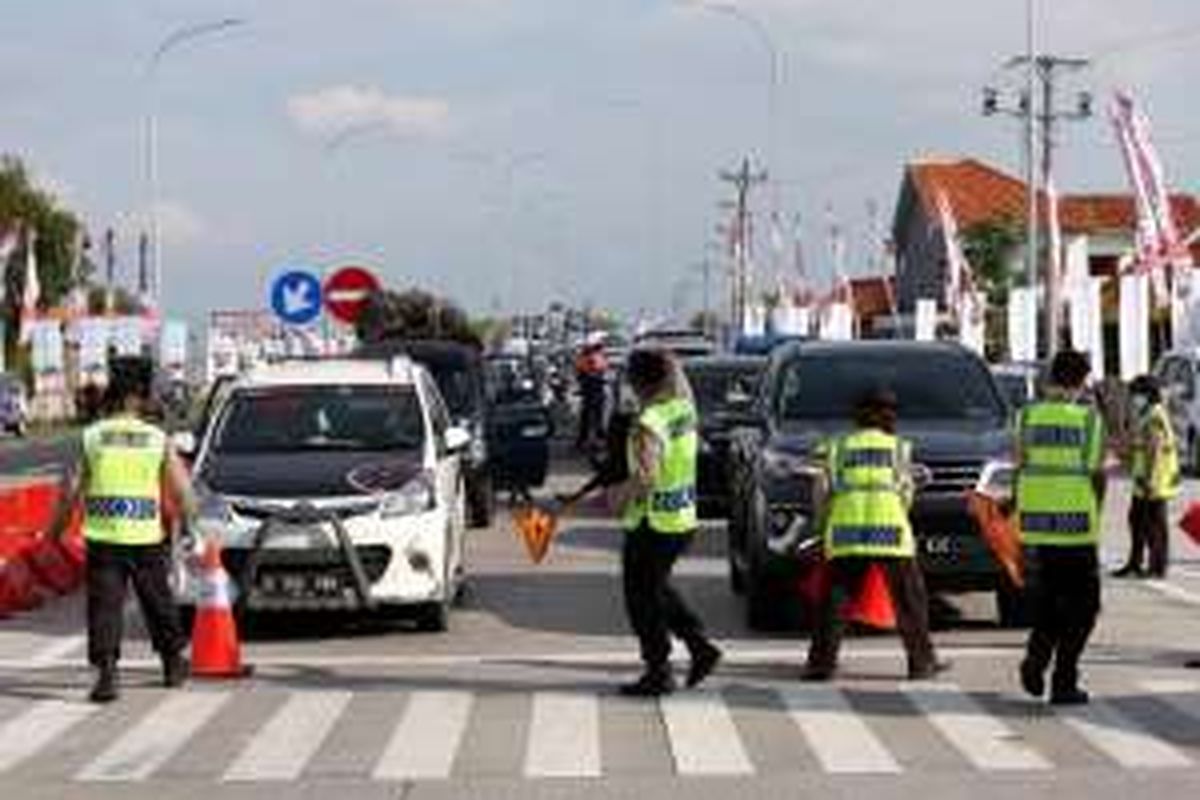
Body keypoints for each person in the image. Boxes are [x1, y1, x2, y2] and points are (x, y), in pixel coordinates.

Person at [49, 356, 197, 703]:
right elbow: (183, 490)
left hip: (104, 539)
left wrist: (53, 533)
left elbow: (69, 491)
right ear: (140, 395)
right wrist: (190, 525)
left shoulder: (92, 437)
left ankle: (107, 674)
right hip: (147, 538)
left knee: (105, 607)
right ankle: (173, 664)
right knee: (159, 603)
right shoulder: (156, 438)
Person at [803, 388, 943, 681]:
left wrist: (821, 529)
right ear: (889, 415)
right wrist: (898, 514)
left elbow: (822, 493)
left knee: (835, 601)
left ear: (857, 416)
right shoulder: (898, 448)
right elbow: (906, 491)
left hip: (846, 533)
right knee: (909, 602)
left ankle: (820, 665)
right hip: (889, 532)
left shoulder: (837, 447)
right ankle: (921, 663)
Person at [607, 348, 720, 696]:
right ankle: (698, 647)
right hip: (681, 516)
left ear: (637, 382)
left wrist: (618, 497)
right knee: (656, 589)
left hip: (651, 522)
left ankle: (661, 668)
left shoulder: (649, 424)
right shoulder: (683, 410)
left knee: (641, 598)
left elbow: (647, 477)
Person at [1015, 349, 1106, 706]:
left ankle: (1036, 658)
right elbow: (1096, 472)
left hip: (1037, 524)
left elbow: (1020, 466)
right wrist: (1095, 512)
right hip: (1076, 525)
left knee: (1050, 599)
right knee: (1085, 606)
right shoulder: (1088, 420)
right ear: (1083, 380)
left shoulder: (1026, 417)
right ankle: (1063, 679)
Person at [1113, 374, 1179, 579]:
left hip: (1154, 480)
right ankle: (1135, 563)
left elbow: (1154, 449)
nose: (1134, 398)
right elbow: (1141, 447)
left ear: (1147, 394)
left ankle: (1157, 566)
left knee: (1154, 526)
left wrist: (1149, 479)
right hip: (1144, 479)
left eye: (1136, 394)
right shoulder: (1148, 413)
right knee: (1137, 521)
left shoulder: (1154, 416)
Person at [574, 340, 608, 451]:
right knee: (590, 416)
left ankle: (591, 439)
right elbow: (582, 372)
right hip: (591, 389)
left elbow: (601, 371)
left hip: (594, 389)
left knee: (593, 416)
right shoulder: (589, 358)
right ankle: (587, 440)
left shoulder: (596, 358)